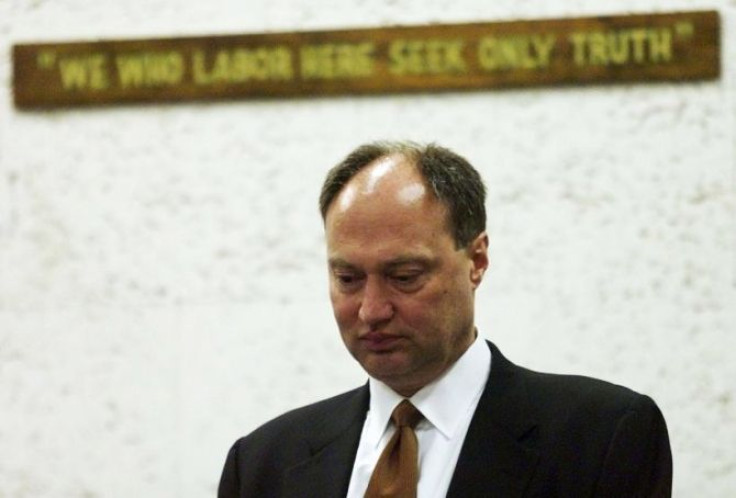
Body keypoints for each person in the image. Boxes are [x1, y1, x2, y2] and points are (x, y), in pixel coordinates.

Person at [218, 141, 672, 497]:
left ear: (476, 260)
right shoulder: (263, 464)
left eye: (404, 276)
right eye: (348, 278)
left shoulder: (601, 438)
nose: (372, 310)